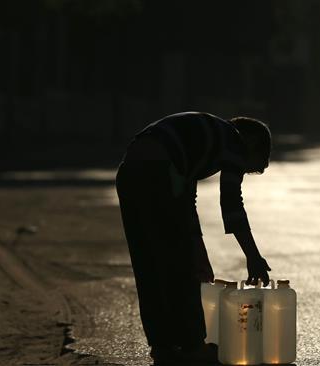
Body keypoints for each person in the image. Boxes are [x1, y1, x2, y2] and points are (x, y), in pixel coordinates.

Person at [115, 112, 272, 365]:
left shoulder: (201, 140)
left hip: (129, 172)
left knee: (149, 265)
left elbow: (186, 203)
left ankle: (162, 346)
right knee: (181, 267)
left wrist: (198, 249)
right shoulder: (234, 142)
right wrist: (253, 256)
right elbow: (231, 203)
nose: (250, 168)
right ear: (252, 143)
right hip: (157, 172)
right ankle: (192, 346)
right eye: (254, 162)